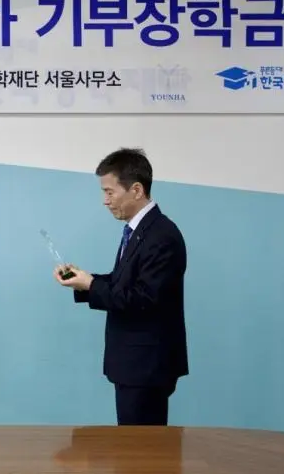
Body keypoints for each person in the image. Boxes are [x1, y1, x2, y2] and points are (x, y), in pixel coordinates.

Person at [54, 147, 188, 426]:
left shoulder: (161, 235)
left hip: (146, 366)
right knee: (133, 444)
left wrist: (91, 285)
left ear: (136, 190)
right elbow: (124, 283)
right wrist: (84, 281)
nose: (105, 201)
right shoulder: (139, 231)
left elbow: (144, 298)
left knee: (142, 447)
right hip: (134, 364)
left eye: (110, 192)